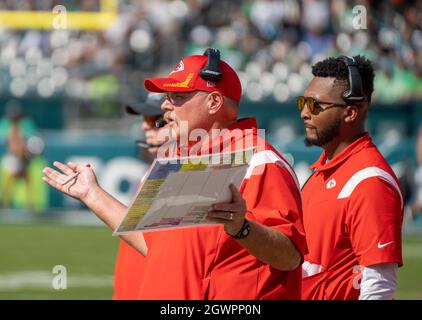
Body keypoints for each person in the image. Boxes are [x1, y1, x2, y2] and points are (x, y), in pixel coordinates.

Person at [42, 49, 306, 299]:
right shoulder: (175, 159)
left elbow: (290, 257)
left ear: (214, 101)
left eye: (177, 97)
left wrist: (242, 228)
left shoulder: (259, 160)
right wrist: (93, 195)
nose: (165, 106)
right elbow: (151, 245)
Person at [298, 56, 403, 300]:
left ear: (350, 112)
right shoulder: (320, 173)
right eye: (302, 102)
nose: (304, 112)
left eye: (315, 105)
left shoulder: (370, 181)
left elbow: (379, 284)